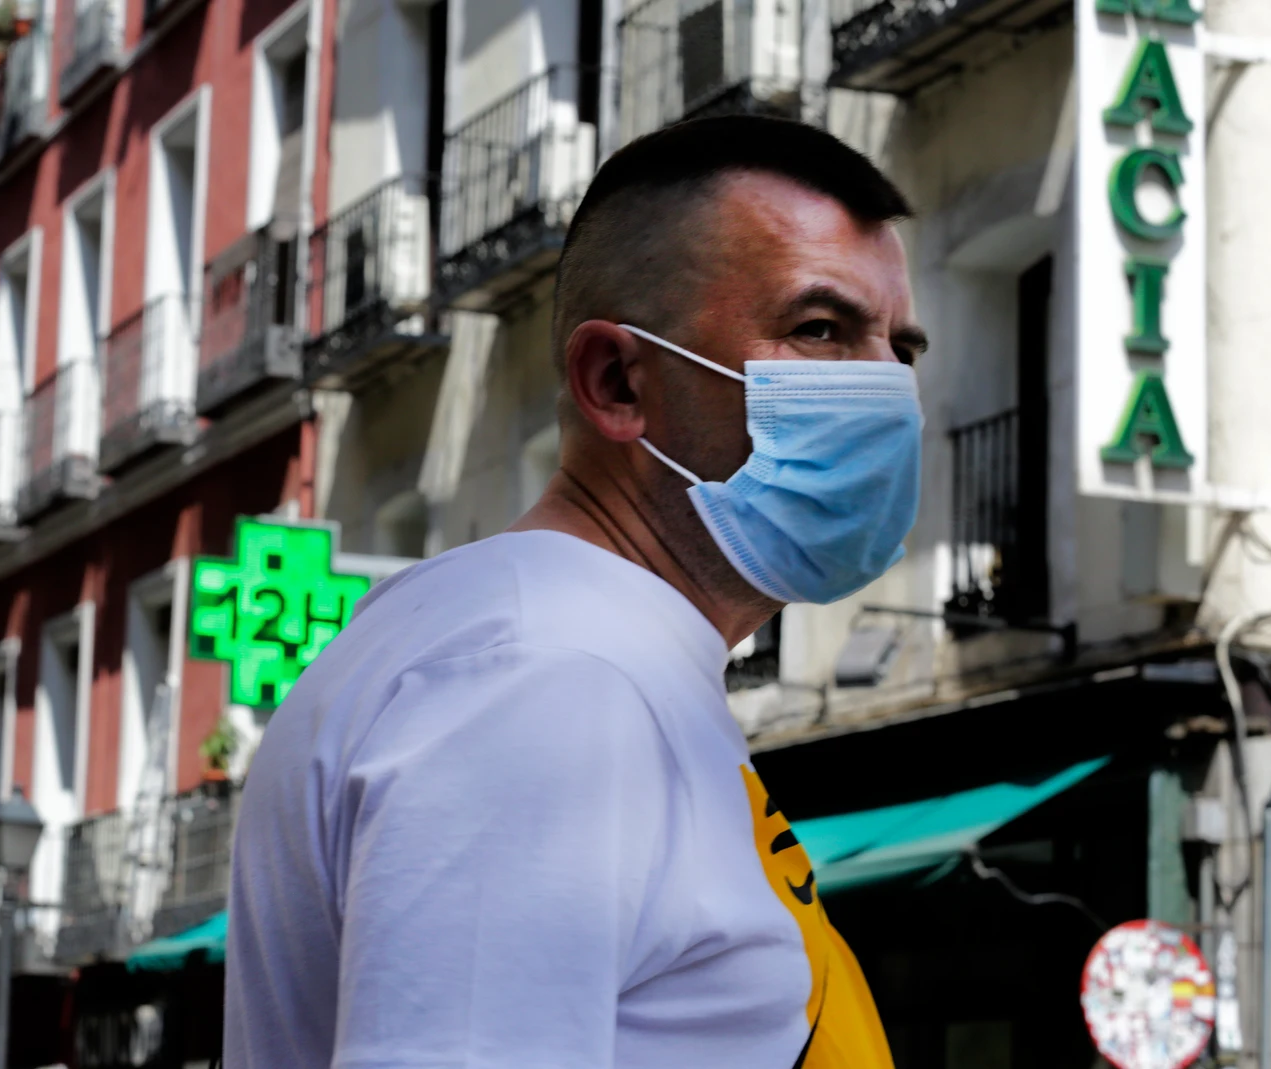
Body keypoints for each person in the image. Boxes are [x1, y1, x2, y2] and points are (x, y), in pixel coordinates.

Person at [224, 114, 927, 1068]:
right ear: (616, 381)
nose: (888, 388)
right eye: (821, 329)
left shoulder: (582, 656)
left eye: (902, 349)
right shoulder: (544, 679)